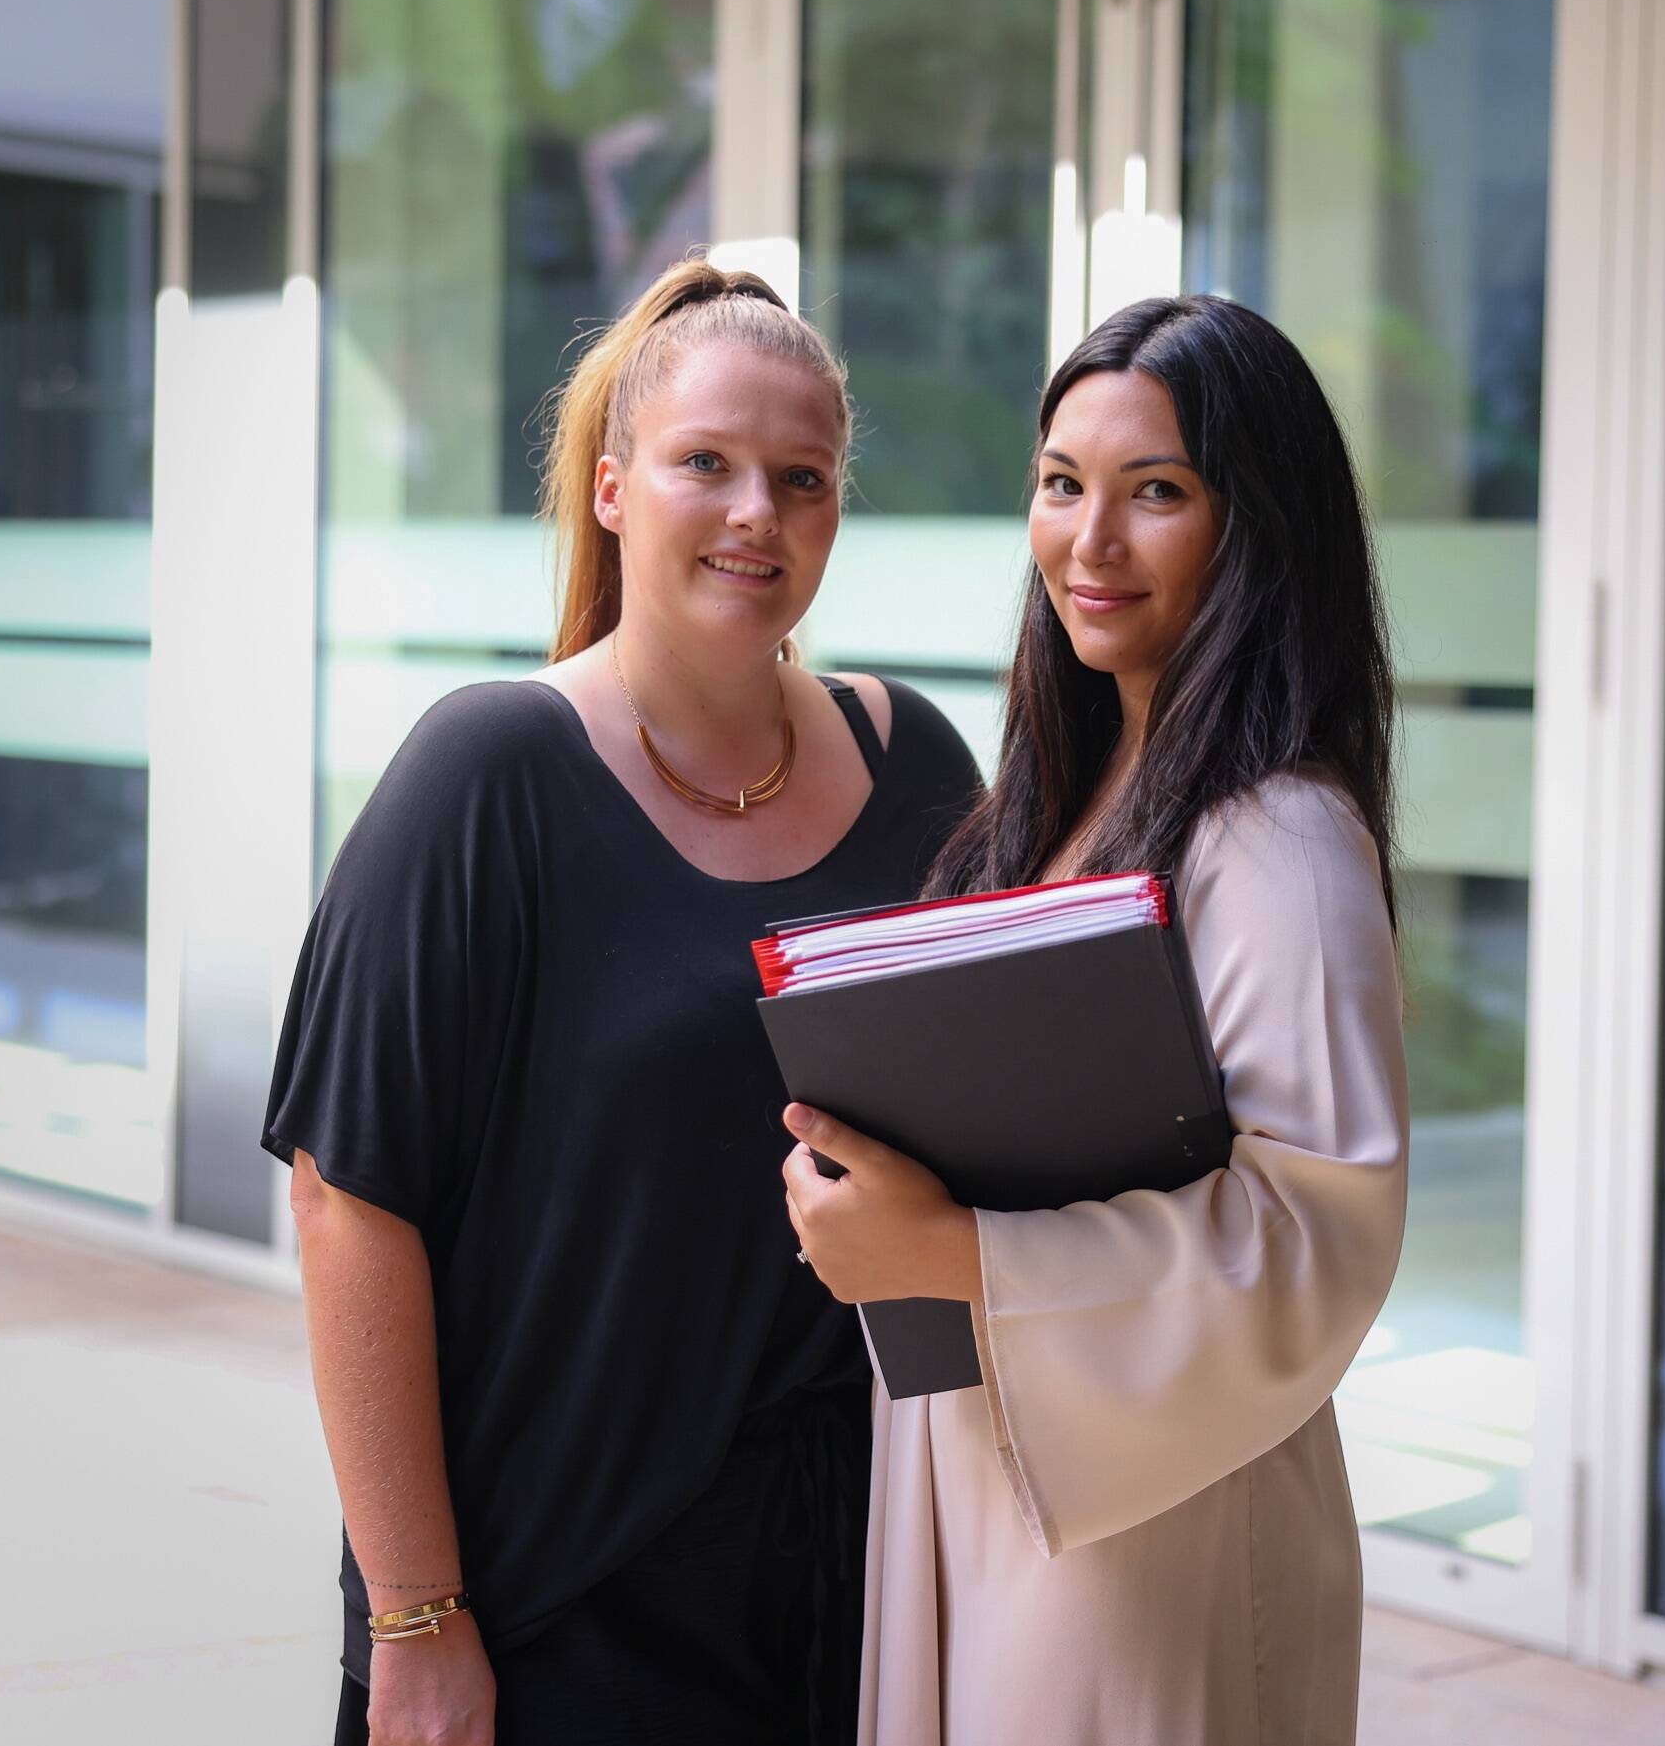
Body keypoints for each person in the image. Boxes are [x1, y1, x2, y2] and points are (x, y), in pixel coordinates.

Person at [265, 255, 980, 1746]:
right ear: (610, 489)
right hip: (547, 1599)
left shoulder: (921, 770)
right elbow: (347, 1201)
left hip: (847, 1585)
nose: (755, 515)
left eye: (803, 477)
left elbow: (983, 1145)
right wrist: (416, 1617)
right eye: (703, 464)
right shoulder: (485, 778)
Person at [777, 294, 1409, 1745]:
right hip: (1001, 1465)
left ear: (1259, 526)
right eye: (1062, 484)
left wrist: (943, 1248)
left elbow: (1317, 1238)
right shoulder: (1056, 805)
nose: (1091, 542)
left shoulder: (1279, 840)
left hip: (1157, 1526)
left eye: (1158, 492)